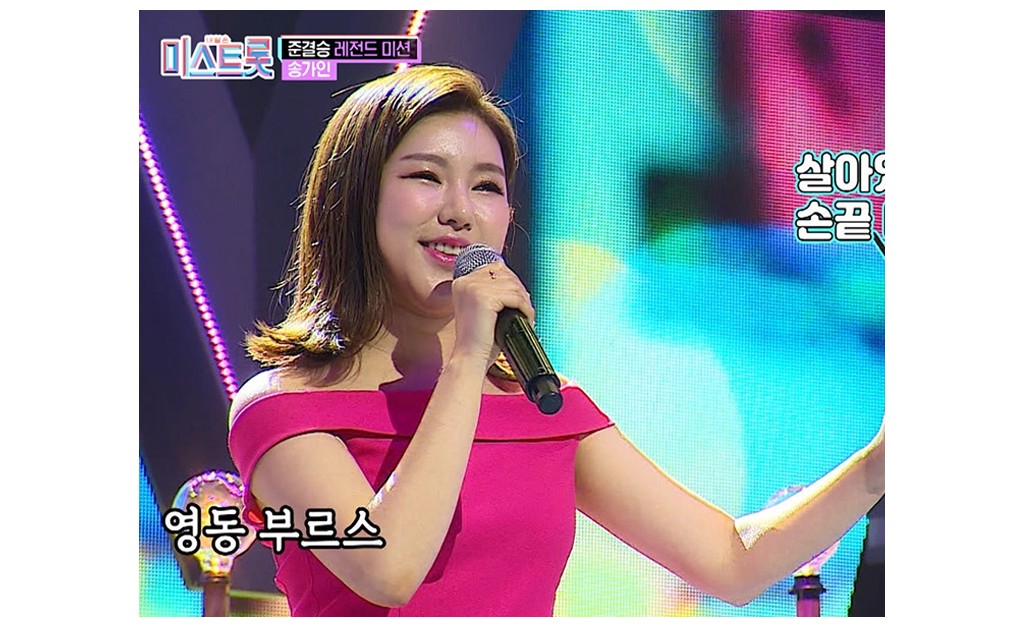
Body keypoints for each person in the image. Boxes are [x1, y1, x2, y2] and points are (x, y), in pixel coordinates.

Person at [226, 63, 885, 617]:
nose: (459, 209)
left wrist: (880, 461)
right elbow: (389, 567)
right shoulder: (286, 408)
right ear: (354, 200)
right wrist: (468, 360)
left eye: (486, 186)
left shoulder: (546, 406)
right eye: (426, 177)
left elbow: (731, 562)